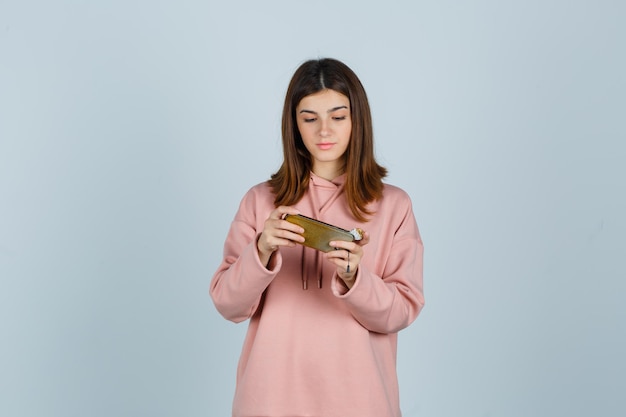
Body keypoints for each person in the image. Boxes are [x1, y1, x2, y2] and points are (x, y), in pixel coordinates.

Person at [210, 58, 425, 417]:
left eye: (338, 117)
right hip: (269, 401)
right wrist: (261, 251)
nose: (324, 130)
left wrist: (356, 278)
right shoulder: (260, 200)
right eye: (309, 118)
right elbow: (228, 305)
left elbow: (402, 311)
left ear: (358, 121)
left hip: (359, 401)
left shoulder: (394, 206)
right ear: (293, 124)